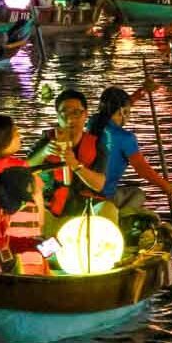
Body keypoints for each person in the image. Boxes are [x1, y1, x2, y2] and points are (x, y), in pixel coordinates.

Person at [27, 89, 110, 234]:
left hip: (85, 208)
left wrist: (75, 165)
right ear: (58, 116)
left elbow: (99, 184)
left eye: (76, 113)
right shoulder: (46, 142)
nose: (70, 119)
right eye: (64, 113)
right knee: (34, 211)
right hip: (51, 208)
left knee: (108, 209)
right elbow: (24, 168)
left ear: (85, 115)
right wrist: (44, 152)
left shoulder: (97, 145)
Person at [88, 86, 172, 216]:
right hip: (105, 196)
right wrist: (165, 186)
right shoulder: (126, 138)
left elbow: (116, 108)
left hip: (87, 193)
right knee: (138, 194)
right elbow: (142, 169)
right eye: (127, 111)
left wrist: (138, 94)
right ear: (122, 111)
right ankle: (120, 218)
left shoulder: (93, 122)